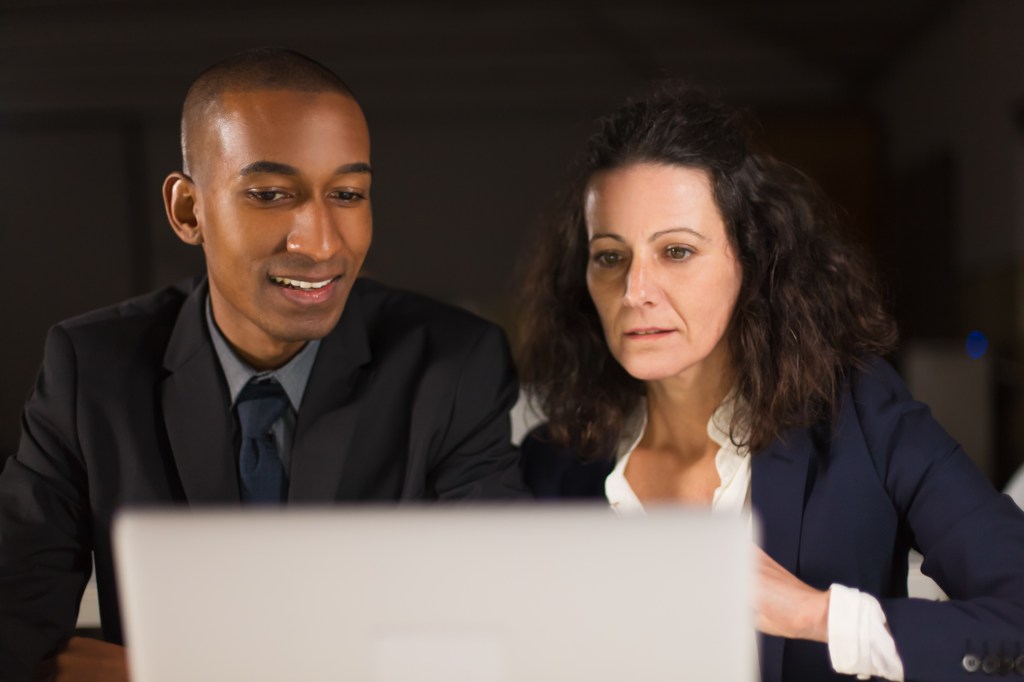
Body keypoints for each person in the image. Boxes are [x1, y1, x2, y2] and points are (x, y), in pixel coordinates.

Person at [0, 47, 526, 682]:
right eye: (272, 194)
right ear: (188, 211)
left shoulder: (453, 366)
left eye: (348, 193)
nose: (322, 241)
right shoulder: (91, 370)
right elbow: (14, 630)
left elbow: (487, 634)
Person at [516, 83, 1024, 682]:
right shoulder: (549, 464)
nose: (635, 292)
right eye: (610, 256)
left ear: (751, 260)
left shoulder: (861, 418)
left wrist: (818, 616)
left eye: (676, 252)